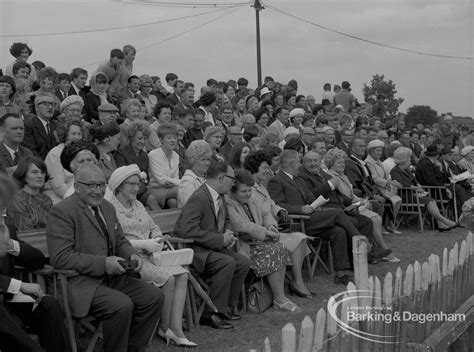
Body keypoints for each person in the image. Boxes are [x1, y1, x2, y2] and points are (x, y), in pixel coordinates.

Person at [47, 164, 163, 352]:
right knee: (121, 305)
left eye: (101, 185)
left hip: (111, 278)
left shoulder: (107, 208)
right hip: (80, 283)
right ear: (77, 187)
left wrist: (131, 254)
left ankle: (133, 348)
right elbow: (61, 258)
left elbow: (120, 240)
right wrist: (103, 263)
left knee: (154, 296)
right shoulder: (62, 211)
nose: (98, 190)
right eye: (91, 185)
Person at [104, 165, 196, 347]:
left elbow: (154, 226)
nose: (135, 188)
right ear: (119, 186)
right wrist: (143, 244)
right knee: (169, 278)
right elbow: (114, 241)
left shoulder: (138, 204)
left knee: (183, 274)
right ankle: (164, 327)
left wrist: (156, 238)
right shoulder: (110, 208)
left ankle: (176, 328)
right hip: (131, 260)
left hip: (152, 255)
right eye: (131, 184)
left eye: (137, 184)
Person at [268, 150, 371, 284]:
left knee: (338, 231)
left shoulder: (298, 179)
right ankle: (361, 240)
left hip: (312, 218)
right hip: (298, 222)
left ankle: (341, 273)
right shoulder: (276, 180)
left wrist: (319, 204)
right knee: (338, 213)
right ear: (292, 163)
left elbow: (311, 198)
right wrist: (301, 209)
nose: (300, 165)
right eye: (299, 161)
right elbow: (277, 205)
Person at [174, 162, 250, 329]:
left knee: (243, 262)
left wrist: (228, 234)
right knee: (227, 262)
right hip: (194, 250)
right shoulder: (199, 197)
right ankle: (212, 313)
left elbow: (228, 221)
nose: (234, 183)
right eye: (233, 179)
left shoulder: (220, 196)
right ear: (222, 178)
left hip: (211, 248)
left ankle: (228, 308)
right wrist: (219, 239)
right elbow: (188, 231)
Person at [0, 173, 71, 352]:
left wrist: (10, 245)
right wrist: (19, 285)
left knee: (48, 305)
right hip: (5, 298)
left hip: (9, 298)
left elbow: (37, 260)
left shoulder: (6, 225)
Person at [226, 169, 301, 312]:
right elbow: (241, 224)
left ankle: (280, 297)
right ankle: (280, 299)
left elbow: (266, 214)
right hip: (242, 245)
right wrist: (265, 232)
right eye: (244, 191)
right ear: (233, 191)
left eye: (249, 190)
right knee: (274, 250)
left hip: (258, 242)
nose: (248, 194)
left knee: (280, 248)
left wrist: (271, 226)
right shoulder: (229, 203)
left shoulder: (251, 199)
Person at [244, 150, 311, 296]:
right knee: (298, 238)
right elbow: (260, 215)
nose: (268, 171)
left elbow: (271, 205)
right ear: (254, 168)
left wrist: (280, 211)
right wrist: (270, 226)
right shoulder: (249, 190)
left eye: (268, 168)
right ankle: (297, 282)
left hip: (271, 229)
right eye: (265, 168)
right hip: (260, 235)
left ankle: (297, 281)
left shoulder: (261, 187)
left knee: (300, 237)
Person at [317, 150, 397, 262]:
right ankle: (382, 249)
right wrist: (356, 203)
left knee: (377, 218)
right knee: (374, 219)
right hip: (345, 208)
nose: (342, 165)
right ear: (331, 164)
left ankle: (372, 251)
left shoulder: (343, 176)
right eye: (339, 163)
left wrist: (361, 200)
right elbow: (341, 196)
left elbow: (352, 194)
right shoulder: (331, 176)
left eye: (343, 162)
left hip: (354, 205)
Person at [390, 147, 458, 232]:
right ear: (403, 159)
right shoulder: (395, 171)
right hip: (406, 196)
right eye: (409, 158)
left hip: (414, 194)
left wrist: (418, 185)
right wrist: (415, 188)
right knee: (429, 201)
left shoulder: (407, 170)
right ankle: (445, 221)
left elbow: (415, 180)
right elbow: (400, 183)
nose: (410, 160)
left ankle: (441, 224)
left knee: (431, 200)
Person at [365, 139, 403, 234]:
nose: (379, 153)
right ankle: (384, 225)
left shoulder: (379, 162)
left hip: (384, 188)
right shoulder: (369, 162)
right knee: (390, 202)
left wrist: (391, 181)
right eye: (377, 150)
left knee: (397, 200)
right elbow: (375, 179)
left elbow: (385, 176)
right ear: (370, 151)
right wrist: (388, 183)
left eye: (381, 151)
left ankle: (389, 224)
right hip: (376, 188)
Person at [7, 156, 53, 231]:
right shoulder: (16, 199)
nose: (40, 176)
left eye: (43, 172)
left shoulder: (46, 199)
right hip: (29, 240)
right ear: (24, 174)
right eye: (34, 172)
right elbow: (25, 232)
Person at [44, 120, 83, 203]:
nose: (77, 137)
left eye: (79, 134)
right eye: (73, 134)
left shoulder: (82, 153)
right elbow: (59, 187)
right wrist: (79, 201)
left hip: (81, 195)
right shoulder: (55, 155)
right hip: (58, 198)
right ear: (65, 135)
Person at [148, 123, 180, 208]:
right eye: (169, 138)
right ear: (161, 140)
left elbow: (176, 177)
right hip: (154, 189)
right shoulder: (153, 155)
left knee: (173, 202)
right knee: (181, 189)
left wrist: (175, 182)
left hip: (169, 188)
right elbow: (161, 180)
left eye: (175, 138)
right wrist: (181, 182)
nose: (172, 140)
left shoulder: (176, 155)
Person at [23, 92, 59, 159]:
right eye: (46, 104)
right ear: (37, 107)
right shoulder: (28, 126)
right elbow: (31, 152)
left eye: (53, 104)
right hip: (39, 165)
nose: (50, 107)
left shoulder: (56, 125)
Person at [178, 140, 212, 207]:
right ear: (193, 160)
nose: (207, 163)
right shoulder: (188, 182)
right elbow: (191, 207)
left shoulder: (203, 178)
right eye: (203, 160)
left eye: (208, 159)